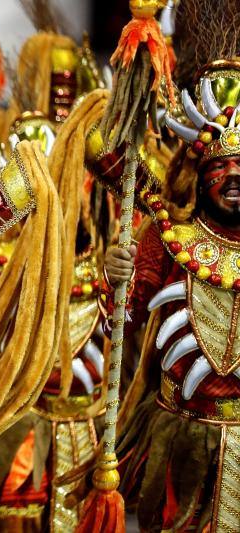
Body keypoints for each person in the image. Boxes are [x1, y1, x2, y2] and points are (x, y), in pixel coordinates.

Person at [102, 58, 240, 531]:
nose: (235, 177)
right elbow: (116, 325)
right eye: (220, 166)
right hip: (180, 434)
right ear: (195, 173)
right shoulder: (163, 239)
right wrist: (114, 280)